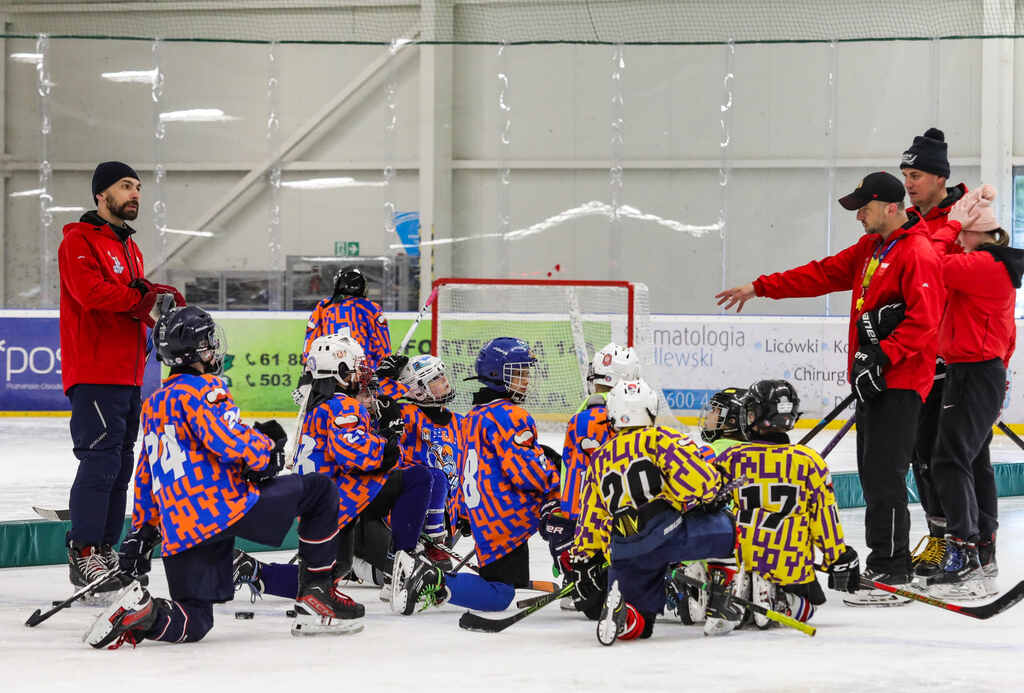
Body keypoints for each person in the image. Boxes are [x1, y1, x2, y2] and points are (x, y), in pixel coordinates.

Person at [715, 171, 943, 605]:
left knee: (886, 475)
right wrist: (760, 287)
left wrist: (883, 356)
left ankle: (893, 568)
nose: (859, 216)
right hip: (872, 380)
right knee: (872, 474)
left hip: (900, 382)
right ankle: (885, 560)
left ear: (890, 207)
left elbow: (925, 321)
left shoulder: (918, 252)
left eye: (864, 208)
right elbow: (820, 275)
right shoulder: (871, 247)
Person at [83, 306, 358, 649]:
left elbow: (147, 473)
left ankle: (145, 614)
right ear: (195, 351)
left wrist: (142, 530)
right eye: (209, 342)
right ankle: (317, 592)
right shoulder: (204, 390)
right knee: (320, 490)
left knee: (195, 620)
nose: (214, 349)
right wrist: (267, 449)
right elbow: (229, 440)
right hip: (223, 507)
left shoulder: (154, 404)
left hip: (182, 524)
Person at [57, 161, 184, 594]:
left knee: (121, 464)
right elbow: (90, 293)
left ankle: (106, 548)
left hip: (129, 374)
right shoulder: (78, 240)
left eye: (138, 188)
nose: (135, 194)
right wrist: (140, 297)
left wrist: (160, 318)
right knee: (100, 460)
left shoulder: (130, 247)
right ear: (101, 194)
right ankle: (84, 550)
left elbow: (135, 305)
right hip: (94, 371)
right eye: (125, 186)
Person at [232, 334, 432, 606]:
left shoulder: (319, 404)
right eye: (355, 367)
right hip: (337, 498)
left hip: (319, 504)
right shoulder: (342, 405)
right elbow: (354, 452)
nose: (361, 373)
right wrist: (388, 441)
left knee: (330, 572)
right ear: (339, 372)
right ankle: (402, 562)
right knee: (418, 478)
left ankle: (252, 570)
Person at [392, 337, 561, 616]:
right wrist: (559, 480)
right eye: (518, 373)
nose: (525, 380)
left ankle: (443, 579)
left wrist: (461, 510)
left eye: (526, 372)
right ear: (497, 375)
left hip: (482, 512)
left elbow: (467, 466)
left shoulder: (472, 416)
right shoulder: (510, 416)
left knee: (507, 582)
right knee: (500, 595)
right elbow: (526, 474)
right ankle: (430, 579)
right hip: (505, 518)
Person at [567, 378, 736, 645]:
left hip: (623, 550)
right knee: (731, 530)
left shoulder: (599, 457)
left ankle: (625, 614)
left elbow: (591, 518)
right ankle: (720, 604)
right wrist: (715, 489)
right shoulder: (660, 439)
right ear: (650, 408)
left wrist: (582, 554)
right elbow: (696, 481)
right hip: (666, 537)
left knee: (642, 624)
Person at [924, 185, 1023, 598]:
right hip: (979, 371)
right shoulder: (992, 265)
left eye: (964, 233)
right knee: (971, 461)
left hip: (974, 372)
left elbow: (930, 262)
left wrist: (950, 225)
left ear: (976, 231)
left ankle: (964, 551)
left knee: (949, 460)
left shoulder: (984, 265)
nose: (959, 241)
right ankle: (981, 551)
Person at [703, 380, 860, 625]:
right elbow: (824, 518)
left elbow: (707, 502)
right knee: (809, 609)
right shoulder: (810, 462)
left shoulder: (730, 458)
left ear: (751, 415)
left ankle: (739, 588)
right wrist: (838, 558)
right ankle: (782, 600)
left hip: (742, 558)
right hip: (790, 564)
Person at [900, 128, 970, 580]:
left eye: (917, 175)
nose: (909, 183)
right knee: (921, 455)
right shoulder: (907, 222)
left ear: (940, 178)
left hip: (957, 362)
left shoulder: (965, 220)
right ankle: (939, 537)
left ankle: (969, 544)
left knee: (952, 457)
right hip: (917, 360)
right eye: (906, 175)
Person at [294, 267, 398, 405]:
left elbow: (311, 338)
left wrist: (307, 371)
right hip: (363, 372)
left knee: (325, 410)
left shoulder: (324, 306)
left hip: (329, 373)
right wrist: (385, 364)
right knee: (368, 411)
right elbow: (382, 343)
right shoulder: (371, 307)